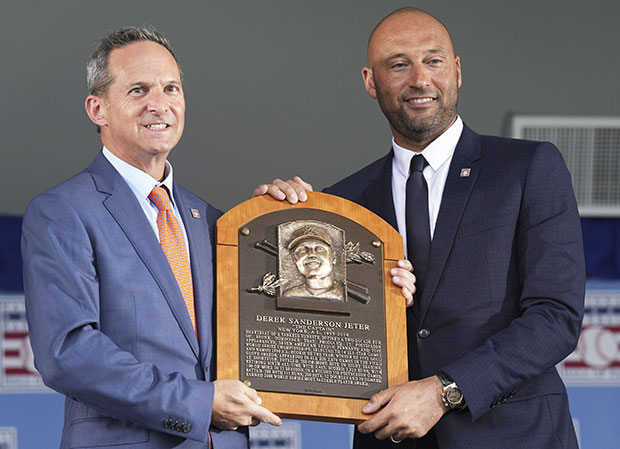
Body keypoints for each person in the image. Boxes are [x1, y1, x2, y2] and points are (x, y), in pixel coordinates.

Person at [254, 7, 585, 449]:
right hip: (388, 439)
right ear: (371, 82)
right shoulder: (342, 205)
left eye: (433, 60)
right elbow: (309, 330)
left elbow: (555, 316)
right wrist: (271, 223)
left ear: (457, 71)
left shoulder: (526, 168)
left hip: (515, 435)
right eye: (398, 65)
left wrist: (445, 391)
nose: (420, 79)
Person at [21, 26, 283, 449]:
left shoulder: (215, 221)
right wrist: (197, 404)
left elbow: (273, 322)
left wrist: (276, 227)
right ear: (97, 109)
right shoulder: (62, 212)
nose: (159, 105)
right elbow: (68, 353)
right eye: (138, 90)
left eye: (171, 88)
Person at [283, 225, 344, 300]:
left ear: (333, 258)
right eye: (302, 250)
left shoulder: (343, 294)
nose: (311, 254)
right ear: (295, 260)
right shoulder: (288, 295)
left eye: (319, 249)